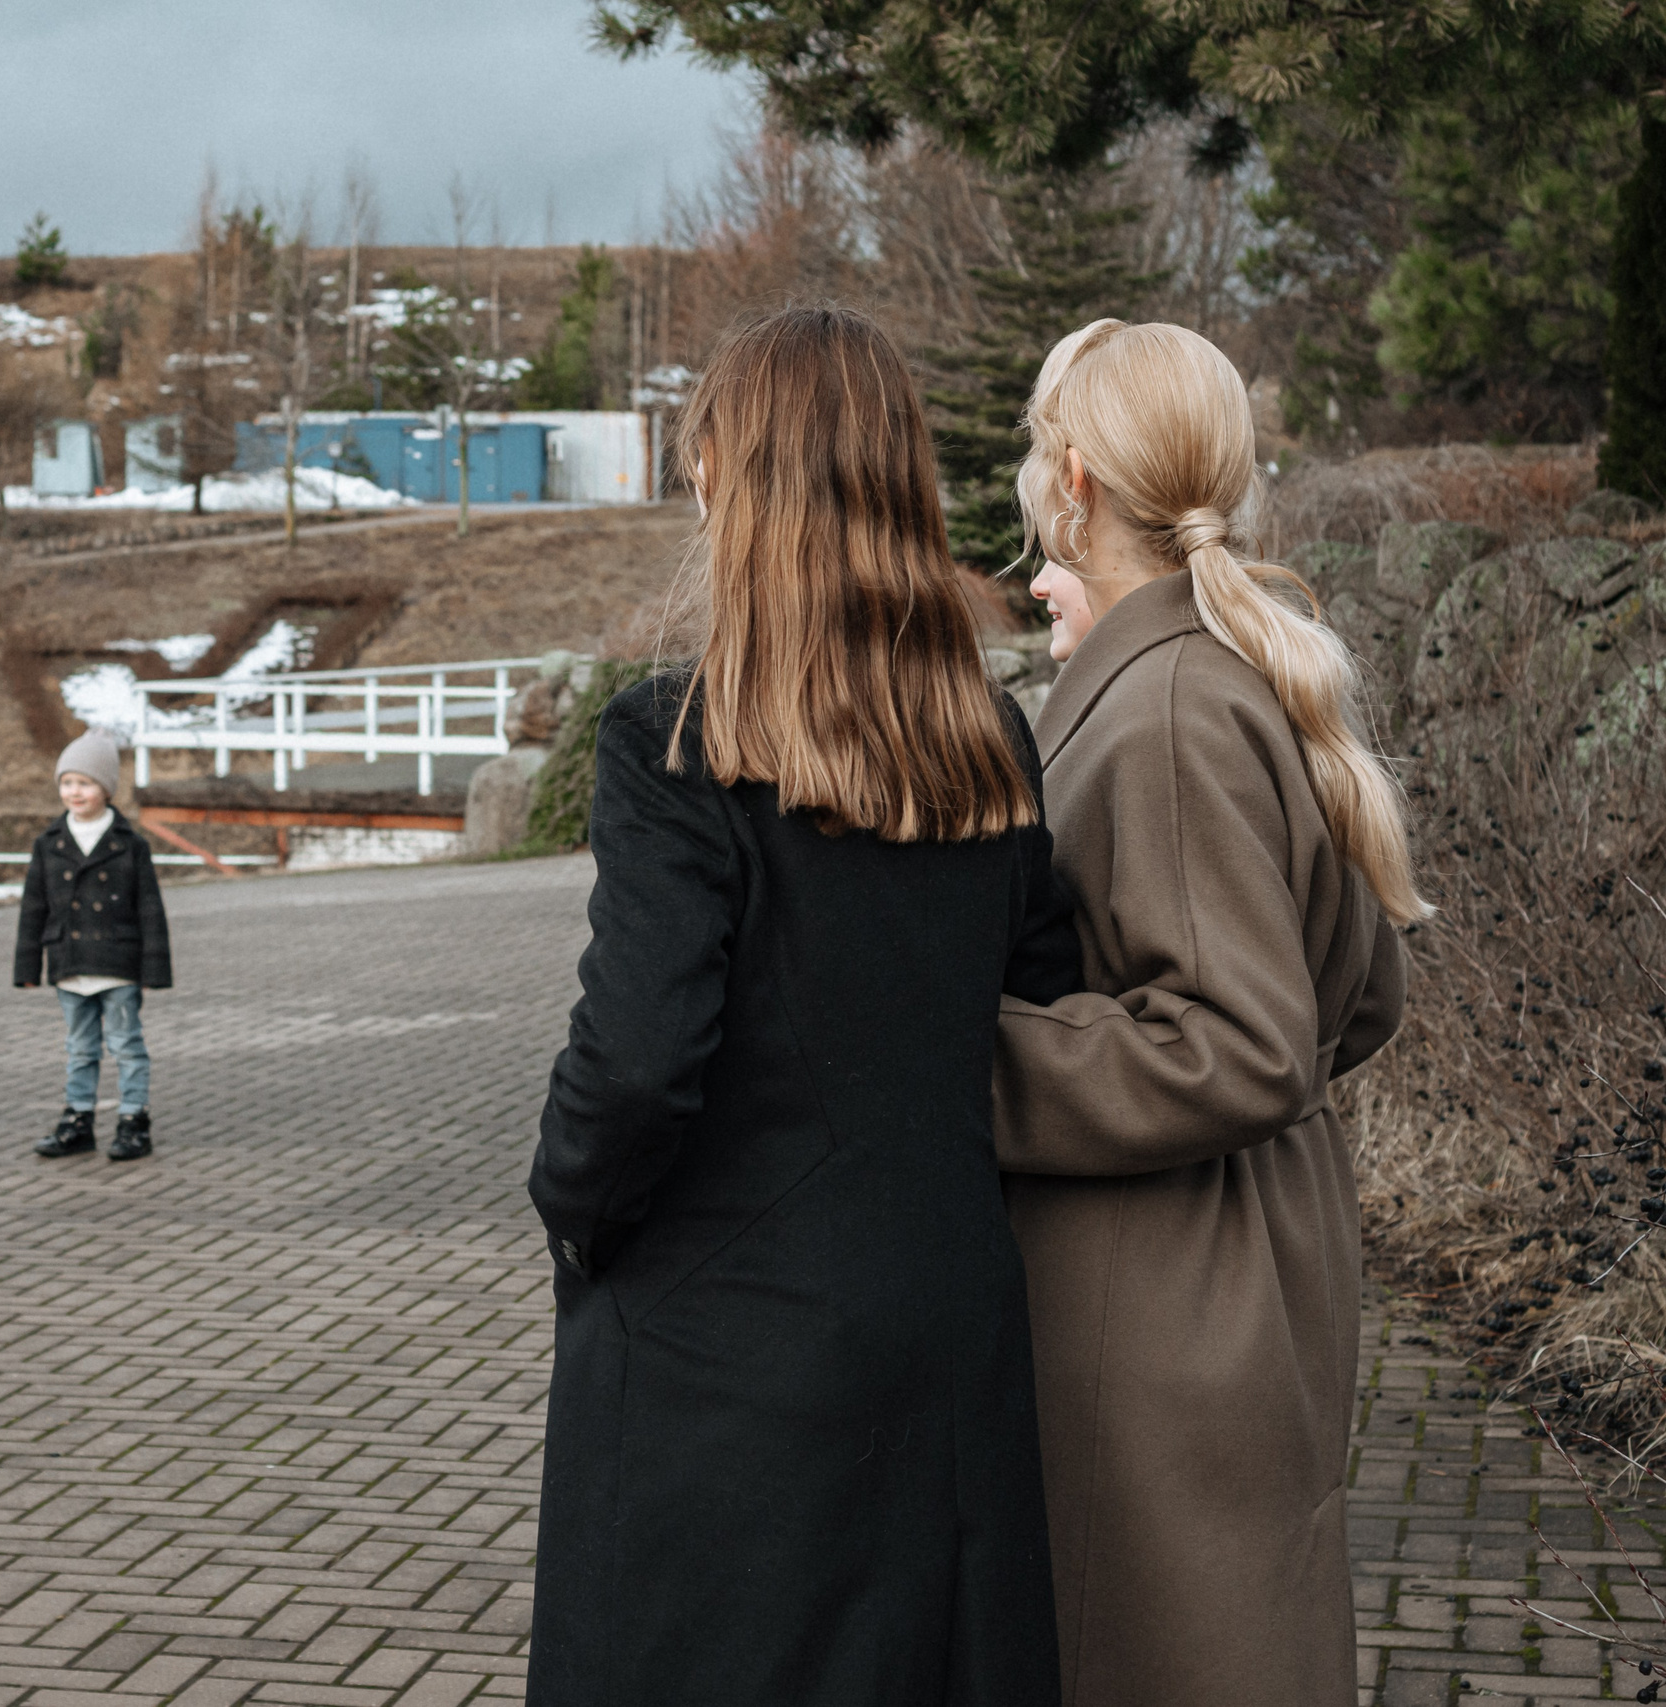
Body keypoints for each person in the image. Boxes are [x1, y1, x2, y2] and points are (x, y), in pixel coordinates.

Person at [526, 305, 1081, 1707]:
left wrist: (575, 1205)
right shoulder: (990, 740)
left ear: (738, 483)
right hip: (950, 1324)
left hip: (725, 1351)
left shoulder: (677, 743)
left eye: (704, 463)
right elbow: (1049, 1005)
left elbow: (639, 1056)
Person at [993, 320, 1417, 1707]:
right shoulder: (1228, 664)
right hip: (1230, 1263)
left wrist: (957, 1057)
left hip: (1167, 1298)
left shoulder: (1171, 697)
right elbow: (1354, 1000)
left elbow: (1239, 1042)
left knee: (1175, 1653)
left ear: (1075, 481)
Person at [15, 728, 171, 1162]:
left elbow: (150, 909)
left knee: (126, 1045)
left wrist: (155, 969)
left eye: (84, 782)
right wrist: (26, 967)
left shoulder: (129, 844)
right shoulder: (49, 844)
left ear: (106, 788)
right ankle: (77, 1121)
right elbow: (33, 907)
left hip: (118, 963)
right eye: (67, 782)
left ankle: (133, 1120)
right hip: (69, 962)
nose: (74, 791)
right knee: (79, 1048)